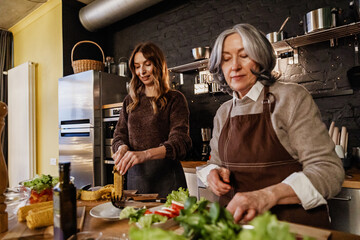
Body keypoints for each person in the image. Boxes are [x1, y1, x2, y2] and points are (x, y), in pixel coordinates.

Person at [197, 23, 344, 228]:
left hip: (290, 228)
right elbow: (216, 163)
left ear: (261, 58)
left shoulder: (290, 98)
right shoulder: (224, 112)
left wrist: (267, 196)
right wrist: (213, 173)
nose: (234, 66)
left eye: (245, 55)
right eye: (226, 59)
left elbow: (329, 171)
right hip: (237, 228)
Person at [112, 42, 192, 197]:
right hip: (136, 181)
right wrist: (121, 148)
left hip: (168, 180)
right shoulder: (130, 100)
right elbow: (119, 135)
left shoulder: (175, 98)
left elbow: (181, 141)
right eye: (137, 66)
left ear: (158, 64)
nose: (142, 71)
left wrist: (145, 154)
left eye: (147, 64)